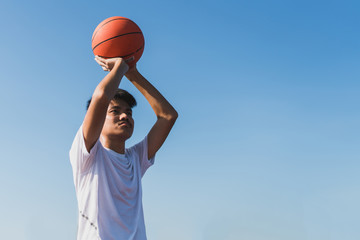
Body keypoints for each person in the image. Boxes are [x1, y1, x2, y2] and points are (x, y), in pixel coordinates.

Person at [69, 56, 178, 240]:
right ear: (98, 118)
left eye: (128, 112)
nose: (124, 116)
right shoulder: (87, 154)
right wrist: (119, 67)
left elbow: (168, 116)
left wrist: (133, 73)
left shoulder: (136, 158)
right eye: (115, 111)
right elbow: (102, 97)